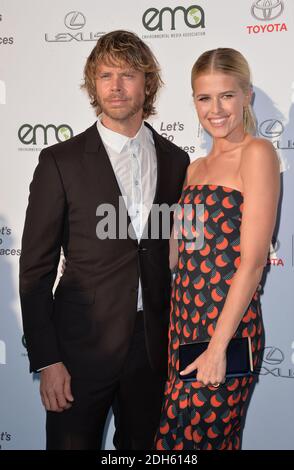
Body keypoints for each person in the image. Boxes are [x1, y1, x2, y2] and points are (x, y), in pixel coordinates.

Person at [19, 30, 189, 450]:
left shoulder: (176, 160)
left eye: (128, 75)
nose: (115, 86)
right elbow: (35, 270)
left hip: (151, 350)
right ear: (93, 84)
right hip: (78, 350)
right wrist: (48, 360)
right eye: (105, 75)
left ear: (147, 83)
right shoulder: (60, 161)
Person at [155, 48, 280, 450]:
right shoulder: (194, 168)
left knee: (205, 442)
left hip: (227, 330)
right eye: (204, 97)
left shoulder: (257, 154)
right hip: (183, 325)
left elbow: (254, 262)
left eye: (226, 95)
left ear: (246, 96)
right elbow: (180, 256)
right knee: (175, 443)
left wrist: (217, 348)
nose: (216, 109)